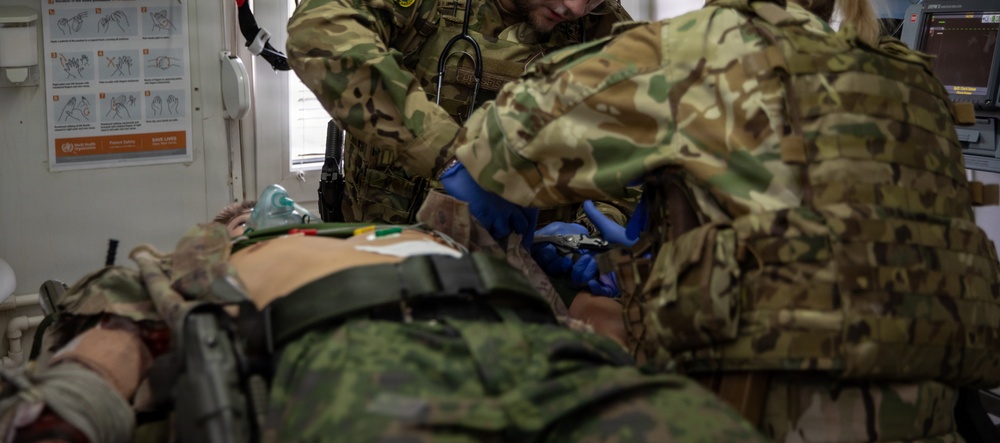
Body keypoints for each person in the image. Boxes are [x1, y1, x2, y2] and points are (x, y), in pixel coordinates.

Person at [441, 0, 1000, 442]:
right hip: (935, 415)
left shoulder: (709, 43)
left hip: (770, 415)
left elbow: (500, 142)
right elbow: (825, 234)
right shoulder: (910, 79)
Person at [0, 195, 770, 443]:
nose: (275, 206)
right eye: (251, 210)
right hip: (361, 348)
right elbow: (123, 325)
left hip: (529, 339)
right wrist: (74, 402)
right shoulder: (207, 253)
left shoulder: (423, 229)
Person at [285, 0, 651, 230]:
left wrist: (594, 231)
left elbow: (631, 154)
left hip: (524, 272)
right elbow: (317, 32)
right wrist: (447, 154)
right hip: (389, 254)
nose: (577, 5)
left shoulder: (603, 33)